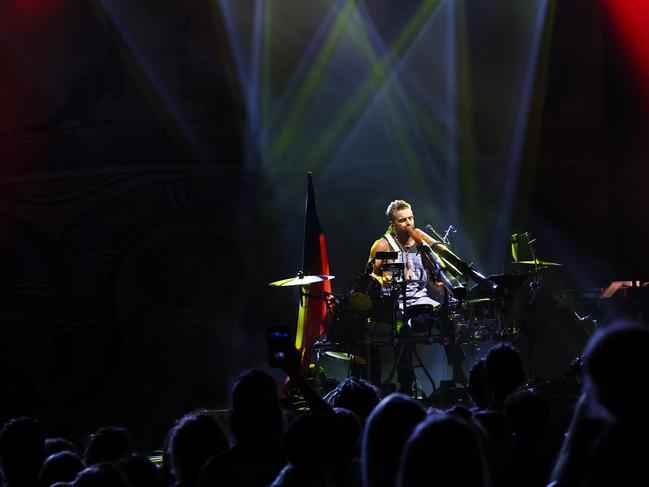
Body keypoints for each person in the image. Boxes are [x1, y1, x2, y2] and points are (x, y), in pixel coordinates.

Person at [368, 199, 465, 394]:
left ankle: (457, 370)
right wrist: (382, 280)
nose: (409, 223)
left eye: (411, 218)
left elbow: (430, 271)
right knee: (402, 329)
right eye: (403, 220)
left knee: (449, 316)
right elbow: (370, 274)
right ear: (393, 224)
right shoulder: (383, 246)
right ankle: (406, 382)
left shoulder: (420, 241)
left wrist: (439, 286)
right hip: (395, 301)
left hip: (421, 298)